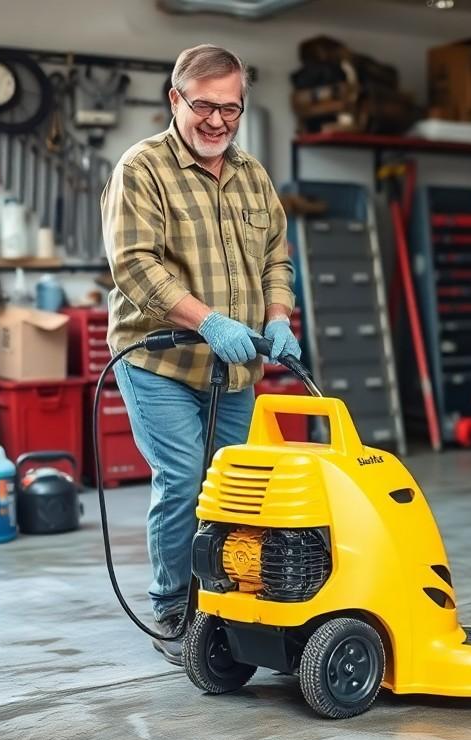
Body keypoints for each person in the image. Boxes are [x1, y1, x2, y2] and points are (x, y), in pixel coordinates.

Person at [101, 43, 300, 665]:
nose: (217, 122)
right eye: (205, 107)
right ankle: (172, 605)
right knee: (186, 478)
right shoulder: (142, 168)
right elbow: (134, 265)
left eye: (231, 110)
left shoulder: (252, 175)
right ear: (175, 99)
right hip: (158, 360)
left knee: (233, 487)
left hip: (237, 364)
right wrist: (207, 320)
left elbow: (276, 257)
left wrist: (278, 317)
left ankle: (224, 598)